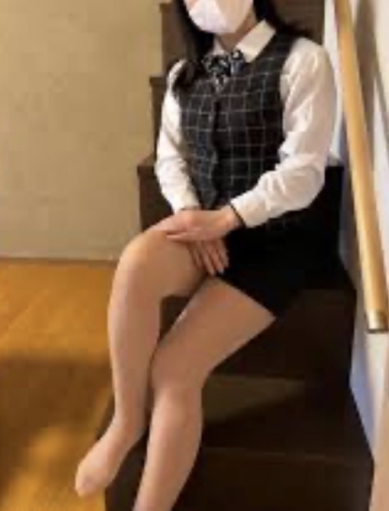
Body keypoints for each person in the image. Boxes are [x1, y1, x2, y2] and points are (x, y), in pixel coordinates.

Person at [74, 0, 337, 509]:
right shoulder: (183, 75)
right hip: (204, 228)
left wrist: (229, 218)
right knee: (136, 262)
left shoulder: (303, 60)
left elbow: (304, 172)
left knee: (173, 368)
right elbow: (170, 159)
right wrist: (195, 217)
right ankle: (127, 420)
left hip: (275, 240)